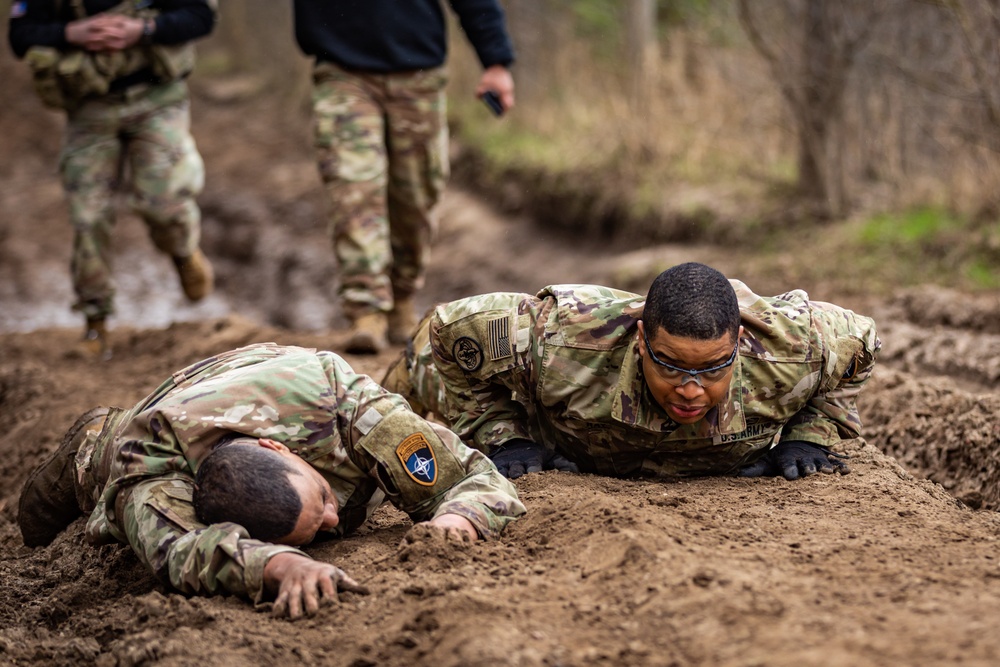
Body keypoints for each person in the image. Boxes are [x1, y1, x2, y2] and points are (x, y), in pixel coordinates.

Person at [17, 343, 524, 619]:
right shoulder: (145, 466)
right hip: (138, 430)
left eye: (322, 498)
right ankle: (92, 437)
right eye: (319, 522)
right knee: (35, 521)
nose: (332, 523)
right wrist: (276, 565)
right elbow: (178, 549)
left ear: (282, 451)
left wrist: (460, 515)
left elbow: (474, 477)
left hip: (269, 379)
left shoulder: (343, 401)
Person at [382, 262, 881, 481]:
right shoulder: (562, 337)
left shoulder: (797, 346)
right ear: (642, 341)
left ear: (739, 347)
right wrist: (502, 437)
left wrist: (809, 437)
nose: (691, 389)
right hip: (537, 399)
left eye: (712, 370)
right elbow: (451, 329)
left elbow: (864, 340)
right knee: (402, 398)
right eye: (671, 365)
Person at [291, 0, 516, 354]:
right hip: (342, 73)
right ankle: (366, 309)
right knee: (353, 187)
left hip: (418, 74)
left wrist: (496, 60)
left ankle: (402, 296)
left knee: (416, 194)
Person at [8, 0, 217, 360]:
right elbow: (19, 35)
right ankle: (95, 324)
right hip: (90, 106)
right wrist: (70, 33)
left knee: (164, 204)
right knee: (88, 216)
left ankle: (183, 251)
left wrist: (143, 30)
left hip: (158, 98)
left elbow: (202, 16)